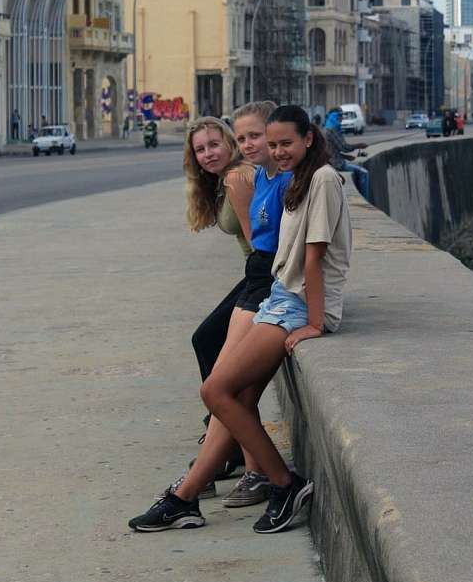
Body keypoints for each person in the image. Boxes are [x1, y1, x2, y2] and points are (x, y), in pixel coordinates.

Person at [130, 105, 351, 535]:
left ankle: (282, 484)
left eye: (285, 143)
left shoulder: (322, 179)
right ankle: (185, 498)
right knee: (235, 397)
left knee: (216, 390)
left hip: (294, 305)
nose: (277, 151)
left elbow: (315, 257)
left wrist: (316, 324)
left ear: (309, 138)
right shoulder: (295, 181)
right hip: (280, 299)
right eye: (272, 144)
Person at [325, 107, 370, 200]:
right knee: (363, 173)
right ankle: (365, 199)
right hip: (336, 164)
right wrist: (359, 145)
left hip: (333, 161)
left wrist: (346, 156)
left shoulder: (328, 128)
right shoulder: (332, 130)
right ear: (335, 116)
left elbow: (332, 149)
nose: (342, 118)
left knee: (357, 171)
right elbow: (343, 147)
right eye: (340, 116)